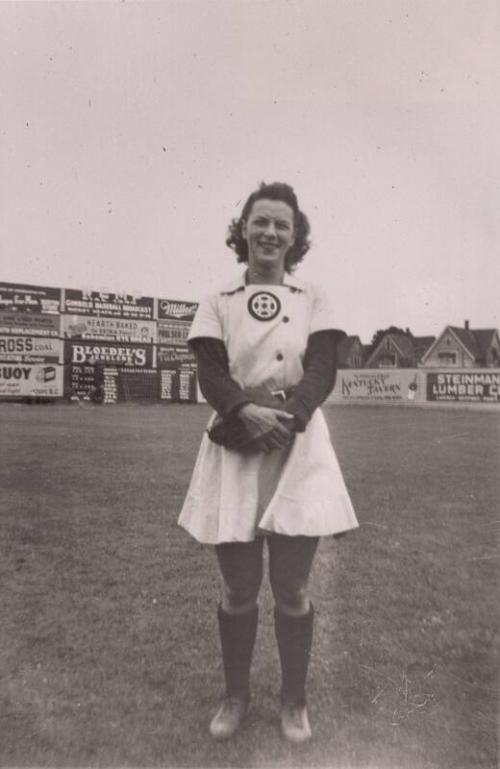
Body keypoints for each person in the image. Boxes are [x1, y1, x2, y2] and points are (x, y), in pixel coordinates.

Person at [178, 181, 358, 743]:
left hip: (296, 445)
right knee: (238, 587)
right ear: (244, 229)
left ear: (295, 236)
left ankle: (294, 702)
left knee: (291, 586)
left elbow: (323, 369)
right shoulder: (218, 299)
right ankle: (234, 697)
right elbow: (210, 371)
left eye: (282, 224)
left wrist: (288, 417)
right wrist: (243, 411)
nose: (270, 233)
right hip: (235, 443)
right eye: (261, 221)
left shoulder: (314, 297)